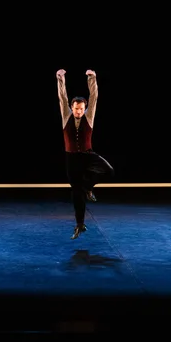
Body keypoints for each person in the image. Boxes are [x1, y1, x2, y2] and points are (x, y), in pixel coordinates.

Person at [56, 68, 114, 239]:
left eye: (81, 109)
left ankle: (88, 188)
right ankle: (80, 224)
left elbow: (94, 98)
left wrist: (92, 78)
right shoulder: (66, 116)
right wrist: (60, 78)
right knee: (76, 194)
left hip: (88, 156)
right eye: (76, 109)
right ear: (72, 108)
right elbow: (62, 98)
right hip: (71, 159)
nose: (79, 112)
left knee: (109, 171)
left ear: (85, 108)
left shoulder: (89, 118)